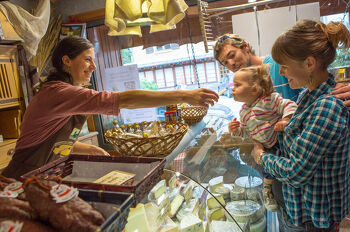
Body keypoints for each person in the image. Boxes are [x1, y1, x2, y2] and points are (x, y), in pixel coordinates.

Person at [2, 36, 219, 180]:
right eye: (87, 60)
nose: (94, 67)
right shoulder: (57, 92)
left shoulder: (65, 93)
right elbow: (121, 100)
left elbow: (55, 141)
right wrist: (184, 95)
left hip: (42, 179)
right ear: (66, 61)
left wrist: (89, 149)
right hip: (19, 180)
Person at [251, 20, 350, 232]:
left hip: (310, 219)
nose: (280, 71)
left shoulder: (326, 107)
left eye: (284, 65)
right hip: (297, 208)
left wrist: (261, 156)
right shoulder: (306, 96)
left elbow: (296, 172)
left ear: (309, 63)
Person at [214, 33, 350, 107]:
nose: (231, 64)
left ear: (245, 46)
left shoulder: (279, 64)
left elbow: (321, 90)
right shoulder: (247, 83)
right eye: (225, 62)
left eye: (232, 55)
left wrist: (344, 94)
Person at [228, 64, 297, 212]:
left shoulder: (270, 100)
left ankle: (269, 189)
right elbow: (247, 132)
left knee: (280, 174)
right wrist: (236, 130)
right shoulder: (243, 112)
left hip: (280, 144)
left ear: (254, 89)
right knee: (267, 172)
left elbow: (290, 105)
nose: (233, 88)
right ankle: (268, 189)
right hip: (263, 148)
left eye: (238, 85)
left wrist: (286, 120)